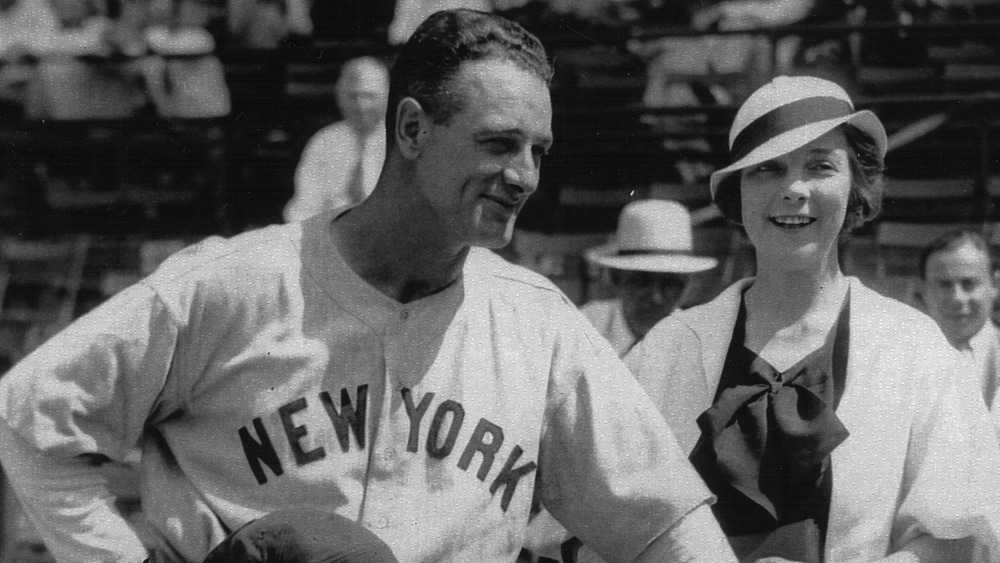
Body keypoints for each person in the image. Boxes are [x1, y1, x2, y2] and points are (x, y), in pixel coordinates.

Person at [0, 9, 736, 563]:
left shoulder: (537, 325)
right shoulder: (236, 284)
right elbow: (27, 420)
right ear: (412, 130)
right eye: (498, 143)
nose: (524, 176)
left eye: (537, 151)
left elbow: (665, 523)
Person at [627, 74, 1000, 562]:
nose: (794, 189)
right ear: (738, 191)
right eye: (768, 169)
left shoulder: (916, 351)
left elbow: (957, 538)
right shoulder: (670, 348)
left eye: (820, 166)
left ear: (855, 187)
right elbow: (608, 524)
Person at [582, 199, 718, 357]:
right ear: (616, 279)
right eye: (642, 281)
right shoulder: (584, 328)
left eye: (671, 284)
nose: (656, 298)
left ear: (688, 284)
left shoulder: (697, 344)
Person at [283, 56, 389, 223]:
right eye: (353, 96)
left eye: (370, 96)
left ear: (387, 97)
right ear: (340, 98)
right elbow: (305, 205)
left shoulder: (404, 143)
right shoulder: (324, 141)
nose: (361, 106)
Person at [920, 229, 1000, 416]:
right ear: (924, 290)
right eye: (944, 285)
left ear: (995, 285)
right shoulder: (904, 358)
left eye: (969, 284)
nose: (957, 297)